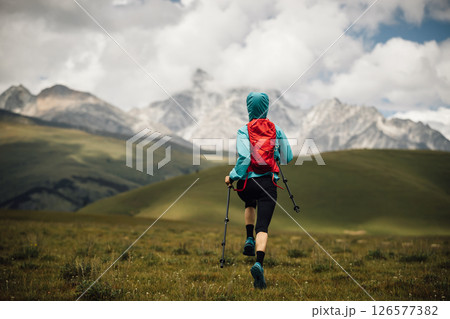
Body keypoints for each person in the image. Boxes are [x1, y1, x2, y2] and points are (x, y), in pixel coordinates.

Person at [225, 92, 293, 289]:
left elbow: (244, 159)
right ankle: (258, 263)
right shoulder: (276, 129)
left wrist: (232, 175)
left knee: (249, 201)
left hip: (247, 185)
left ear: (248, 107)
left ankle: (248, 237)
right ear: (267, 107)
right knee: (262, 228)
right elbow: (287, 157)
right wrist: (275, 156)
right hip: (268, 184)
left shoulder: (243, 130)